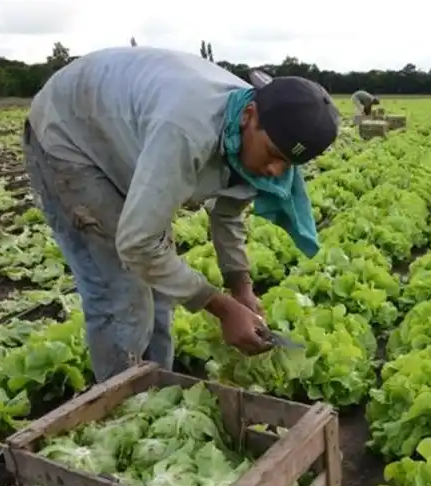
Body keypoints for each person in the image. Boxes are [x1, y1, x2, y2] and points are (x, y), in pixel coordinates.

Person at [23, 46, 339, 383]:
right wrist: (222, 308)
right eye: (273, 154)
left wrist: (241, 288)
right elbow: (137, 245)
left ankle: (158, 388)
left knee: (160, 288)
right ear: (249, 115)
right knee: (121, 294)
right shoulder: (187, 129)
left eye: (287, 164)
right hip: (70, 131)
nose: (275, 170)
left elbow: (228, 214)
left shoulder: (254, 136)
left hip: (127, 135)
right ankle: (119, 400)